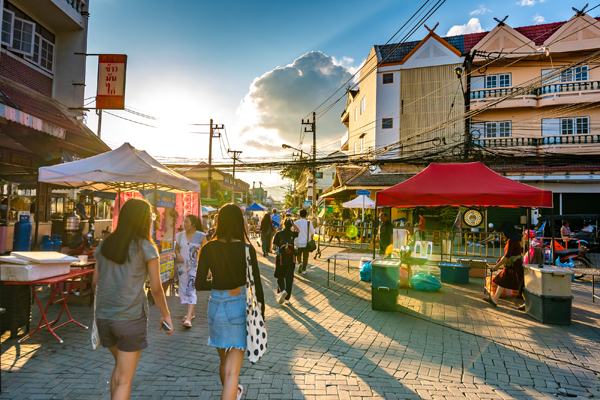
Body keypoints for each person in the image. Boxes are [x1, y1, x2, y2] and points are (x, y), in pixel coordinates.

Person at [92, 198, 172, 400]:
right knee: (124, 379)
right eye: (152, 218)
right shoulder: (146, 247)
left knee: (119, 371)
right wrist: (166, 315)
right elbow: (155, 288)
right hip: (130, 319)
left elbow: (95, 282)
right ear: (145, 220)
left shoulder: (105, 244)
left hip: (103, 318)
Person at [196, 204, 265, 400]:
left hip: (215, 306)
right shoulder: (246, 248)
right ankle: (232, 392)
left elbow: (199, 284)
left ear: (219, 222)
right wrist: (263, 315)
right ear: (238, 222)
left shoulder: (208, 247)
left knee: (225, 364)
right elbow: (256, 286)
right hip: (238, 305)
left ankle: (234, 392)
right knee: (232, 372)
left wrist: (218, 285)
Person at [175, 215, 207, 328]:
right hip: (182, 268)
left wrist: (207, 269)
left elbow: (206, 252)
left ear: (193, 225)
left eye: (187, 222)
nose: (184, 224)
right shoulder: (179, 236)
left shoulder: (201, 236)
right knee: (184, 289)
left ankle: (188, 318)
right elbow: (177, 249)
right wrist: (178, 254)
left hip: (195, 267)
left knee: (191, 289)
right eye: (184, 222)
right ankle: (191, 312)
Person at [484, 221, 523, 308]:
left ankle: (528, 304)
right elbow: (508, 255)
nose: (502, 233)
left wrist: (496, 266)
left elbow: (507, 256)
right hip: (513, 264)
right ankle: (495, 299)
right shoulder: (514, 239)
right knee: (502, 280)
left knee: (521, 285)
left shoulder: (511, 241)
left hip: (514, 265)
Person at [273, 218, 298, 305]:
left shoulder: (278, 234)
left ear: (283, 224)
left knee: (279, 276)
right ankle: (287, 299)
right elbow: (298, 230)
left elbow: (273, 247)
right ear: (291, 225)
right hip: (291, 259)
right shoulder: (293, 233)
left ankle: (282, 290)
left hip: (281, 259)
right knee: (289, 278)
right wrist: (293, 224)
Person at [294, 209, 315, 275]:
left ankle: (300, 263)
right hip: (306, 243)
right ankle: (304, 270)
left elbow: (292, 229)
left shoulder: (296, 223)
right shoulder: (308, 223)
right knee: (305, 257)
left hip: (298, 242)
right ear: (306, 215)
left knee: (298, 254)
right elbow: (313, 232)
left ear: (299, 215)